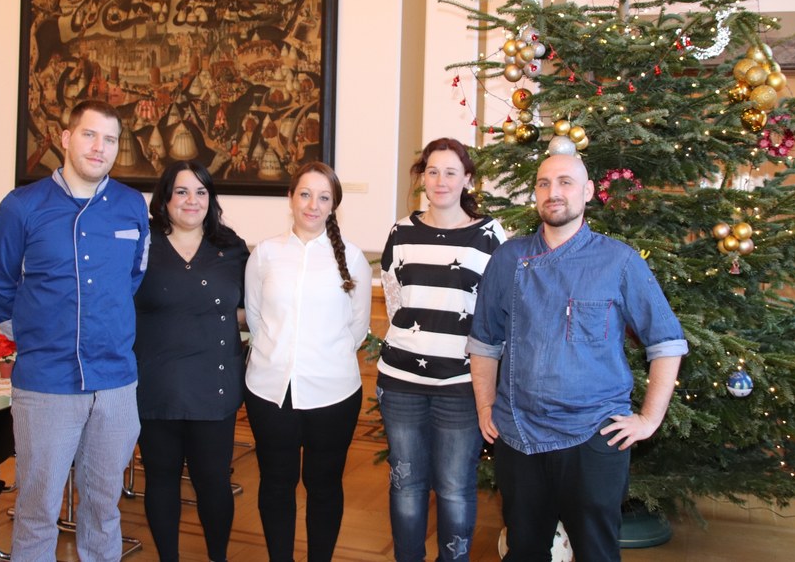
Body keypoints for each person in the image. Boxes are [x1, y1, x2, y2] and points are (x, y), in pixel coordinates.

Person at [467, 153, 688, 562]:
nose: (554, 193)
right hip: (518, 434)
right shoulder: (508, 259)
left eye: (566, 182)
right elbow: (483, 342)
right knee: (525, 551)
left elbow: (667, 342)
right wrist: (484, 403)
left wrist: (650, 418)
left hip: (594, 436)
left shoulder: (619, 261)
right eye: (544, 183)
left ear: (587, 192)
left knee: (597, 553)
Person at [0, 99, 149, 561]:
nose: (100, 148)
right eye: (90, 135)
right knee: (37, 510)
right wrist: (37, 334)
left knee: (103, 506)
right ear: (65, 138)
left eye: (110, 139)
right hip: (47, 385)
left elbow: (133, 276)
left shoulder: (132, 207)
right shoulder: (22, 207)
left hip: (116, 383)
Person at [376, 137, 507, 562]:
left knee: (454, 489)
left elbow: (496, 313)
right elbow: (396, 302)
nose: (440, 180)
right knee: (406, 484)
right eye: (432, 171)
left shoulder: (489, 234)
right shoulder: (401, 232)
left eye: (451, 172)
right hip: (400, 383)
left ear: (467, 178)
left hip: (461, 386)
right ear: (422, 177)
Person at [244, 161, 372, 562]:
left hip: (333, 394)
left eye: (323, 197)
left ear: (333, 206)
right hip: (269, 393)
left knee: (324, 486)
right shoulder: (265, 254)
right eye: (305, 194)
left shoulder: (352, 259)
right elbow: (255, 316)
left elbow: (357, 327)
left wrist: (320, 360)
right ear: (290, 198)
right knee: (276, 485)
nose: (312, 205)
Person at [134, 161, 249, 562]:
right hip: (155, 383)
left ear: (211, 199)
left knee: (213, 482)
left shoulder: (231, 247)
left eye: (201, 192)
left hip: (213, 388)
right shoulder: (141, 244)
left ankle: (217, 557)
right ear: (164, 199)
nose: (192, 200)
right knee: (161, 480)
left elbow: (251, 309)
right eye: (182, 191)